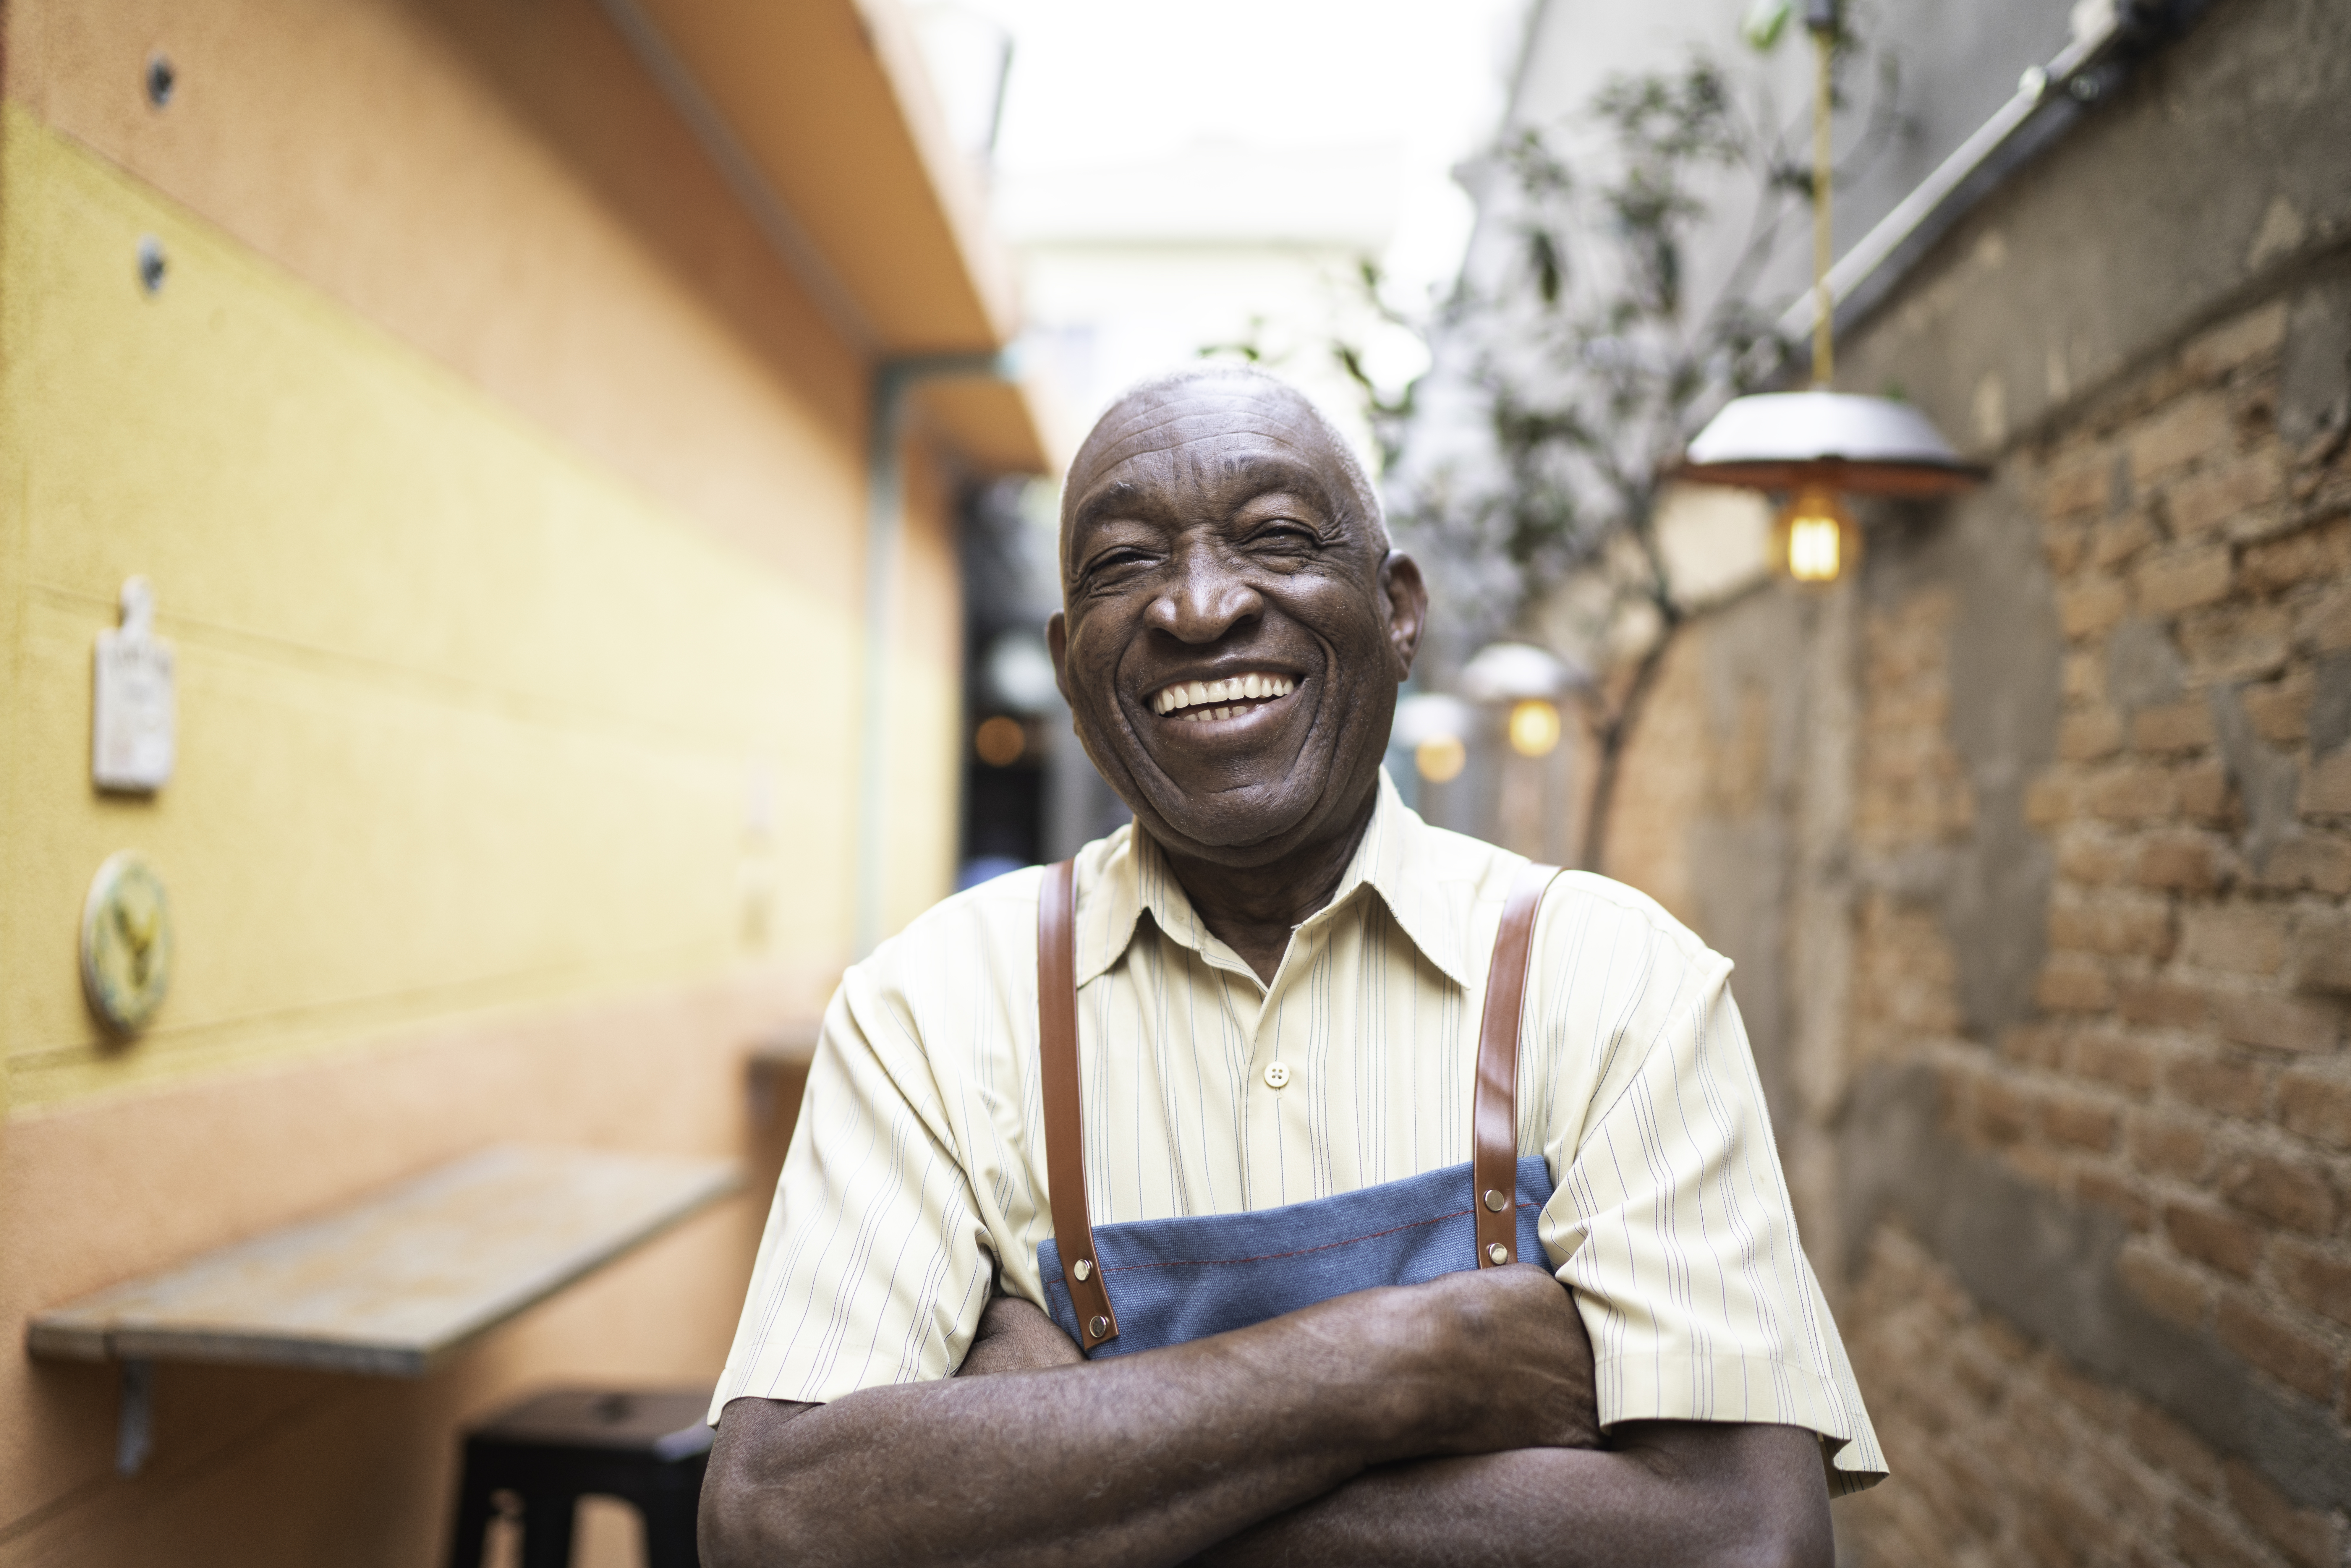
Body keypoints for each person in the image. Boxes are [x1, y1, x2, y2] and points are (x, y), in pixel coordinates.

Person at [700, 367, 1884, 1567]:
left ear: (1399, 610)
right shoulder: (927, 1012)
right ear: (1069, 663)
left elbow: (1741, 1540)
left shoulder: (1617, 983)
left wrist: (1051, 1469)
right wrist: (1404, 1367)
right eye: (1123, 563)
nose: (1200, 608)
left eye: (1274, 537)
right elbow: (779, 1522)